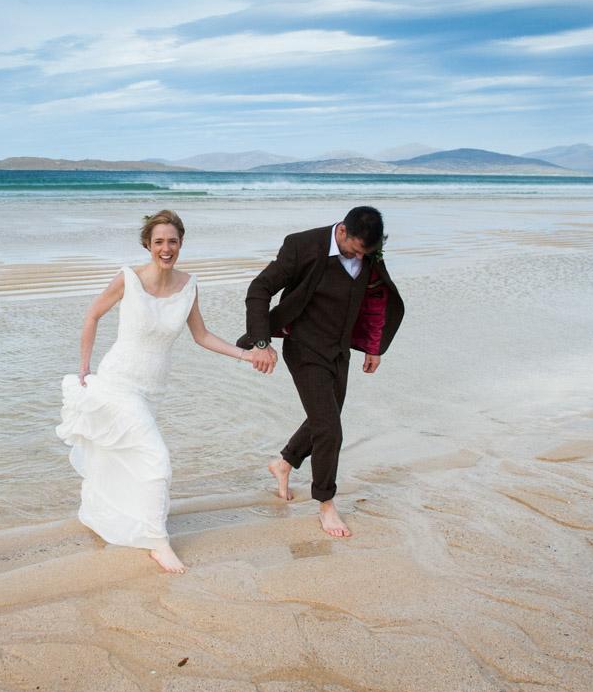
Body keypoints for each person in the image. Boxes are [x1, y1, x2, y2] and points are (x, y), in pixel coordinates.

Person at [58, 210, 267, 574]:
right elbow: (92, 315)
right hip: (118, 383)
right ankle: (158, 542)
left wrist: (245, 355)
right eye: (158, 242)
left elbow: (201, 336)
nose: (166, 248)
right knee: (156, 458)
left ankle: (117, 515)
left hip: (151, 391)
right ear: (147, 245)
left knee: (132, 459)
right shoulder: (129, 278)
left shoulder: (189, 286)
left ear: (181, 243)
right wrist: (84, 367)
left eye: (172, 241)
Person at [238, 206, 404, 538]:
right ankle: (326, 504)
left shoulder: (369, 253)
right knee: (330, 429)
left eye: (365, 253)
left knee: (323, 419)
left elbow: (374, 299)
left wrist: (374, 347)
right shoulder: (302, 245)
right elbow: (259, 289)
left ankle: (284, 463)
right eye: (356, 250)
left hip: (338, 350)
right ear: (342, 231)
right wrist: (260, 342)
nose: (360, 257)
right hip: (304, 346)